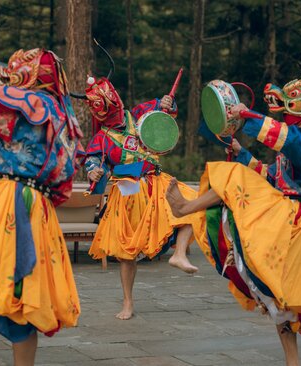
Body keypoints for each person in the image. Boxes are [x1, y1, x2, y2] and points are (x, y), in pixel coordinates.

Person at [166, 51, 301, 366]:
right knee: (279, 300)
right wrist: (241, 151)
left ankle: (186, 207)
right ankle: (293, 362)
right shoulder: (295, 142)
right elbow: (270, 175)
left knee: (233, 179)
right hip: (289, 224)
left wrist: (248, 116)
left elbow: (281, 137)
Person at [0, 42, 84, 365]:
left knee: (16, 299)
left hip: (16, 204)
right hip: (38, 209)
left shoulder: (33, 103)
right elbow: (65, 183)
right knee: (21, 301)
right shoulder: (62, 115)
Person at [82, 75, 200, 320]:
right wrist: (92, 169)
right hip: (127, 192)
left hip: (155, 181)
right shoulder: (101, 139)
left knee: (193, 204)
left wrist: (168, 103)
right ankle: (128, 302)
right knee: (126, 253)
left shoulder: (136, 114)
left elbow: (164, 111)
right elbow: (91, 159)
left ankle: (179, 254)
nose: (116, 114)